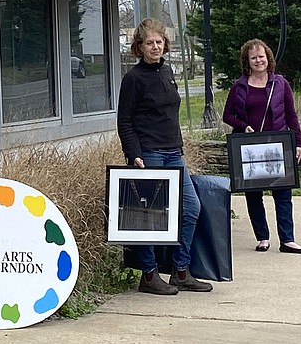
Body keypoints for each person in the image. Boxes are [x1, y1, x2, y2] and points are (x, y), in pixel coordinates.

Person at [117, 18, 213, 295]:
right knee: (149, 216)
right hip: (148, 154)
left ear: (165, 44)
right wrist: (133, 154)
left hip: (173, 152)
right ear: (140, 47)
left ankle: (180, 271)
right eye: (149, 43)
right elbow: (124, 121)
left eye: (159, 42)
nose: (155, 46)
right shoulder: (133, 79)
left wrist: (179, 145)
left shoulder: (168, 71)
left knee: (191, 208)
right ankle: (149, 274)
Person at [222, 38, 301, 254]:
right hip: (249, 146)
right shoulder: (239, 86)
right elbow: (227, 115)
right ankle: (262, 238)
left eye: (261, 56)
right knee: (254, 194)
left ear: (268, 58)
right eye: (253, 58)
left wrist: (298, 143)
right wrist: (243, 125)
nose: (258, 61)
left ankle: (287, 239)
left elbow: (291, 116)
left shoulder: (280, 83)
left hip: (278, 144)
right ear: (247, 61)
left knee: (283, 194)